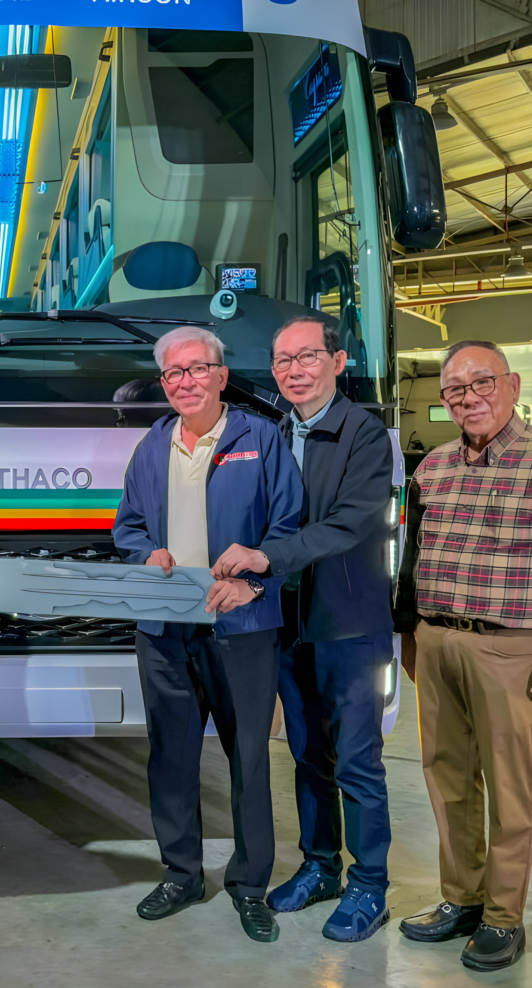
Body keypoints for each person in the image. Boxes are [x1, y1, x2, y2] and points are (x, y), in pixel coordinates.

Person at [112, 326, 302, 943]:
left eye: (197, 370)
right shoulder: (152, 446)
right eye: (172, 373)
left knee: (247, 756)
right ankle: (182, 873)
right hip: (166, 630)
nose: (185, 382)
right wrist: (147, 555)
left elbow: (290, 529)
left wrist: (255, 584)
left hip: (242, 626)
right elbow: (129, 525)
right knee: (170, 756)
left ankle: (250, 886)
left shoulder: (261, 438)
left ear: (221, 376)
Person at [211, 316, 395, 942]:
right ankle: (321, 867)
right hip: (285, 622)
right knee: (307, 753)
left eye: (307, 356)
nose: (292, 369)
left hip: (347, 623)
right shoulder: (269, 432)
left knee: (358, 762)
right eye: (282, 359)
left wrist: (266, 560)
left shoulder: (364, 434)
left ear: (338, 362)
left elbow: (348, 523)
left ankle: (371, 885)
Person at [395, 340, 532, 973]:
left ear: (513, 384)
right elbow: (411, 557)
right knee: (447, 776)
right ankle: (463, 899)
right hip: (437, 637)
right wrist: (408, 631)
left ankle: (504, 916)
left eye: (482, 383)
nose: (469, 397)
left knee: (512, 789)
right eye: (455, 390)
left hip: (511, 646)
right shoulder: (434, 467)